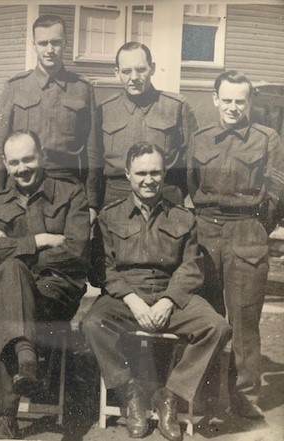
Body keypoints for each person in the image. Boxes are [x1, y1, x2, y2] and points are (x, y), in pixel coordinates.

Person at [82, 142, 232, 441]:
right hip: (126, 296)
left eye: (155, 172)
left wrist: (167, 300)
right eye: (141, 173)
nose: (149, 179)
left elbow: (191, 267)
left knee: (217, 327)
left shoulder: (183, 217)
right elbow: (102, 267)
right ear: (127, 174)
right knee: (92, 323)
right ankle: (131, 394)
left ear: (164, 174)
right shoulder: (109, 217)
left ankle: (171, 396)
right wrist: (132, 299)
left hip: (172, 295)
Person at [0, 130, 89, 439]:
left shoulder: (70, 193)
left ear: (43, 157)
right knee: (10, 276)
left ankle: (5, 415)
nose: (22, 168)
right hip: (16, 290)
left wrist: (13, 246)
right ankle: (26, 358)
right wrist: (40, 240)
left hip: (55, 290)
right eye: (14, 162)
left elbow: (76, 250)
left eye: (28, 159)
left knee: (9, 281)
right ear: (5, 164)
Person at [187, 71, 284, 419]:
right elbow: (191, 183)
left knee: (245, 320)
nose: (232, 107)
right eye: (226, 100)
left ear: (249, 102)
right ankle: (207, 393)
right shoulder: (199, 138)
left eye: (239, 101)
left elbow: (276, 190)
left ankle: (244, 395)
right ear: (215, 99)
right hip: (207, 231)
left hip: (247, 231)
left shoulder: (267, 138)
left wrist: (257, 227)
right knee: (209, 317)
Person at [0, 14, 96, 194]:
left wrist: (91, 201)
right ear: (34, 45)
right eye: (43, 43)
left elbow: (92, 152)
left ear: (66, 43)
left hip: (66, 185)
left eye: (56, 42)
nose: (50, 50)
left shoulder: (81, 88)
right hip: (22, 184)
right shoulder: (15, 86)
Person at [87, 42, 198, 218]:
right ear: (117, 73)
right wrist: (92, 204)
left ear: (152, 68)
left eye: (140, 69)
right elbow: (93, 160)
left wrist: (191, 200)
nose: (134, 77)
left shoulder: (176, 106)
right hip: (116, 197)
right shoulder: (105, 110)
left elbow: (192, 159)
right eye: (126, 71)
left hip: (165, 196)